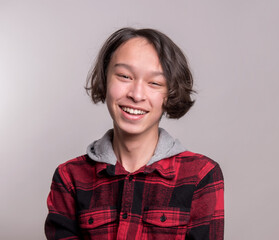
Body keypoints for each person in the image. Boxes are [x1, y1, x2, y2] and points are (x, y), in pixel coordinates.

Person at [45, 27, 224, 240]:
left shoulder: (200, 175)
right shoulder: (69, 177)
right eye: (124, 76)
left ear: (170, 93)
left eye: (154, 83)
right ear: (105, 79)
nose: (137, 95)